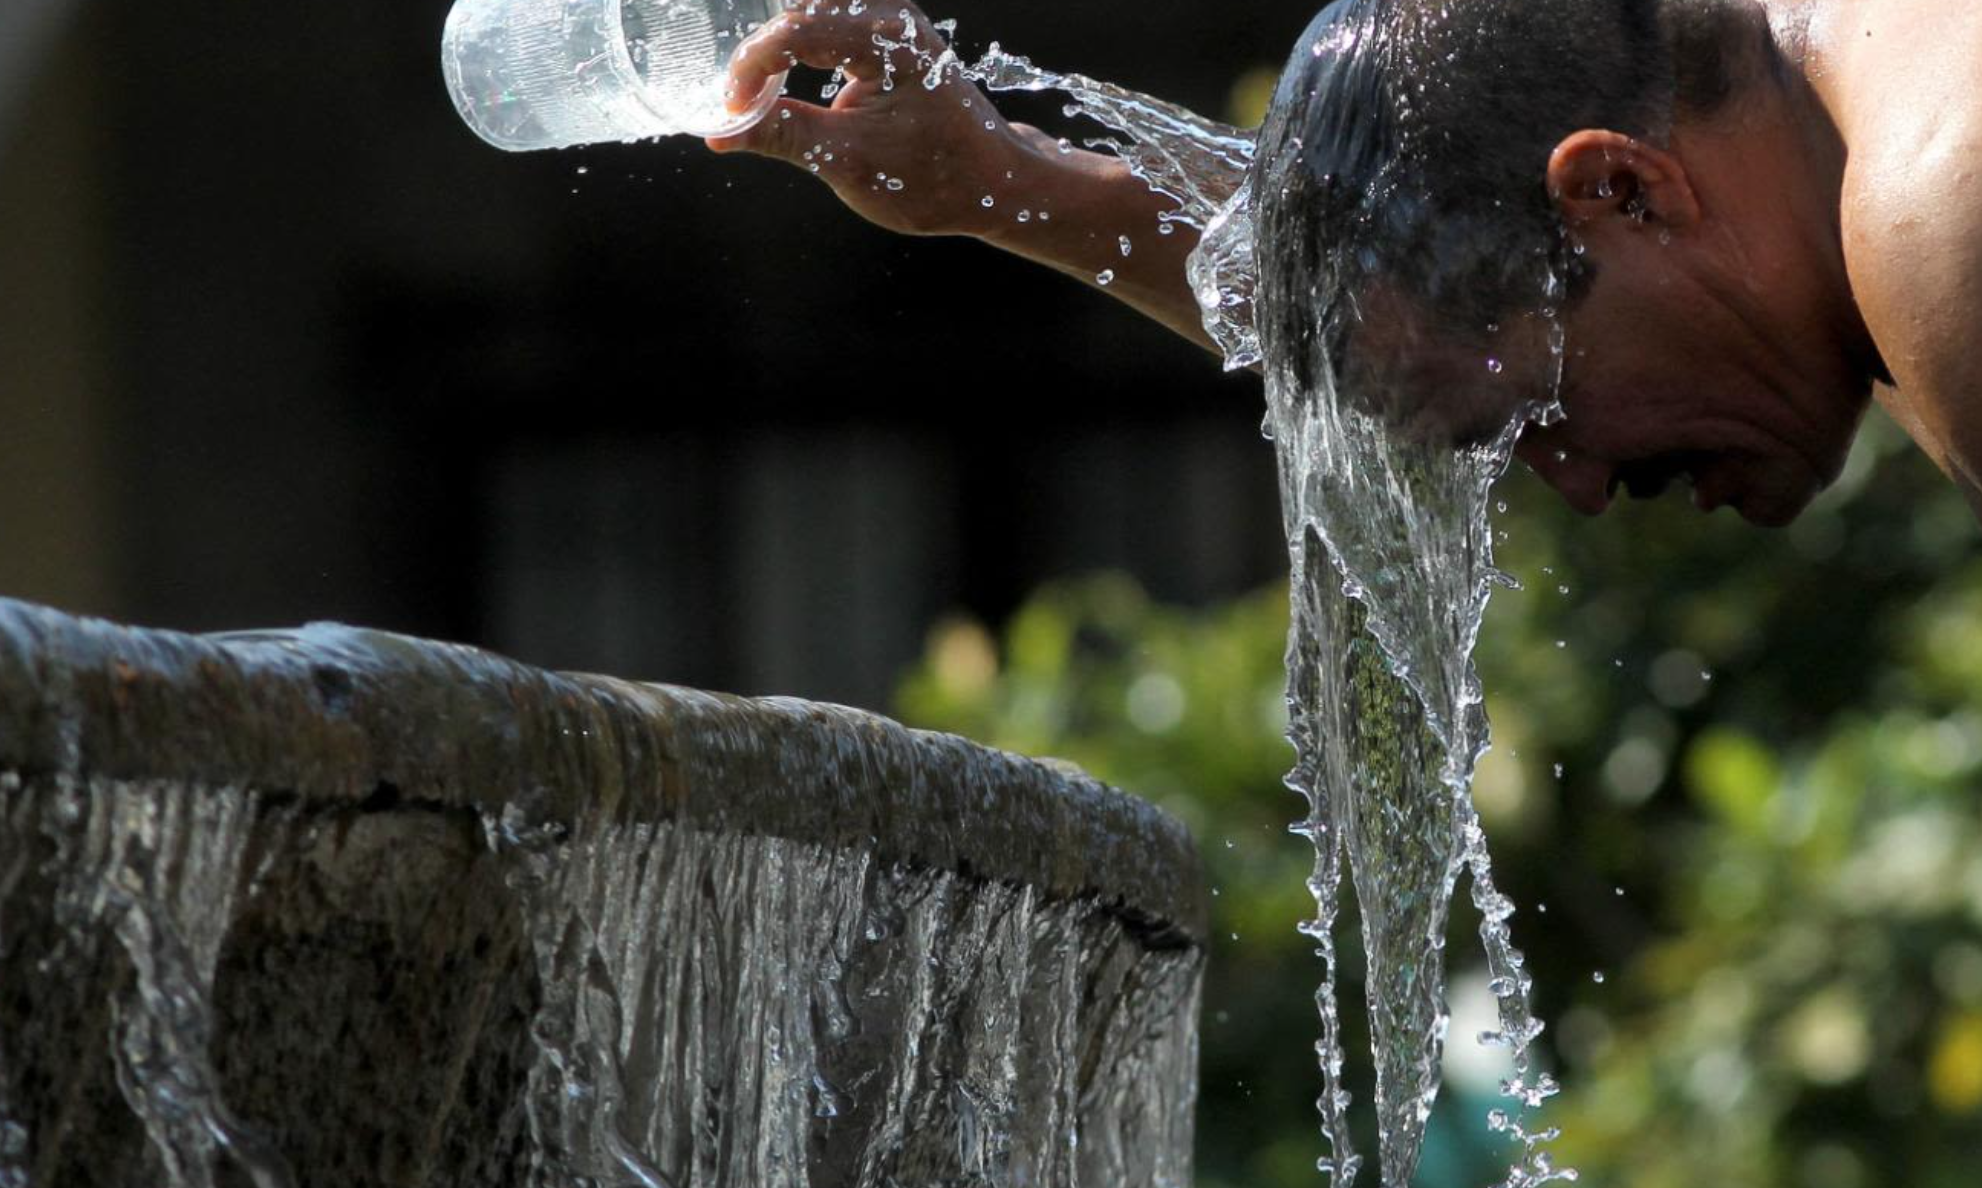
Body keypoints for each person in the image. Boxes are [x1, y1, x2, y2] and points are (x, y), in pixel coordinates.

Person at [708, 0, 1980, 528]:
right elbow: (1401, 288)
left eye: (1531, 413)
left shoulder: (1944, 241)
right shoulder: (1816, 104)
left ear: (1617, 189)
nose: (1577, 485)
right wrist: (1003, 185)